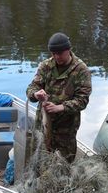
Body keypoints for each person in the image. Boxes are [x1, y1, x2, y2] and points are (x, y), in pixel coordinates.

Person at [26, 32, 92, 163]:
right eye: (53, 53)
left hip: (66, 130)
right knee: (38, 161)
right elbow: (31, 88)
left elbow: (82, 100)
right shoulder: (46, 66)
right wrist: (35, 94)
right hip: (42, 126)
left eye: (60, 53)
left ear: (68, 50)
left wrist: (60, 107)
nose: (57, 57)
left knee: (63, 166)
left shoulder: (81, 70)